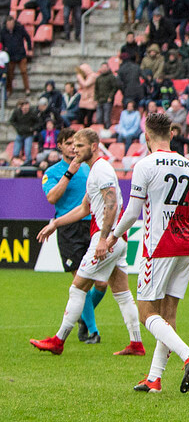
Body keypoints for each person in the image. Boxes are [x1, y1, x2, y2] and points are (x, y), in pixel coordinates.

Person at [107, 113, 189, 394]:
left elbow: (133, 213)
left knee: (146, 311)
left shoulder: (145, 165)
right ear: (172, 134)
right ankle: (154, 379)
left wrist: (113, 236)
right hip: (185, 248)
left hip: (157, 248)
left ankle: (188, 354)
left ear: (146, 136)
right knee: (168, 315)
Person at [29, 129, 144, 357]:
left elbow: (111, 205)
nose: (75, 150)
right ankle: (136, 343)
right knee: (121, 292)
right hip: (116, 239)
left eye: (79, 146)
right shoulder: (93, 171)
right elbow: (84, 208)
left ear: (93, 147)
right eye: (73, 146)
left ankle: (59, 340)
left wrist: (103, 239)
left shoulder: (100, 170)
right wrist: (55, 224)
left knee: (77, 287)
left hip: (106, 238)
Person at [40, 127, 104, 342]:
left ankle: (82, 316)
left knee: (101, 285)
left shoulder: (89, 169)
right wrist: (69, 173)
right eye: (69, 143)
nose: (73, 148)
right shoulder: (53, 172)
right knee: (81, 281)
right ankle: (93, 331)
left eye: (76, 144)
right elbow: (52, 198)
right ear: (60, 146)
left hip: (92, 225)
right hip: (69, 229)